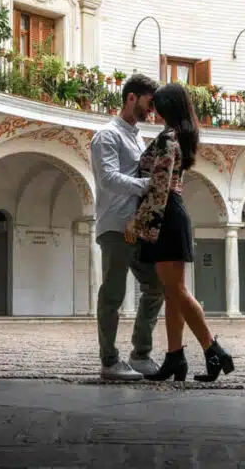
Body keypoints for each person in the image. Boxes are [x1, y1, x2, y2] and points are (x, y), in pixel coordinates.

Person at [126, 82, 234, 383]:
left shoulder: (167, 139)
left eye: (157, 104)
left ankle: (214, 350)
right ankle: (175, 357)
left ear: (166, 108)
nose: (153, 109)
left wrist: (138, 223)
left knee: (176, 291)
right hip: (173, 213)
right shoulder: (180, 137)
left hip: (165, 216)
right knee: (173, 293)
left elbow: (159, 188)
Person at [90, 73, 164, 381]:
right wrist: (149, 185)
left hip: (137, 225)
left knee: (156, 286)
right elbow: (107, 178)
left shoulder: (138, 137)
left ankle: (141, 354)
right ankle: (109, 361)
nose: (151, 110)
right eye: (149, 102)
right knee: (113, 294)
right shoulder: (106, 135)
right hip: (116, 226)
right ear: (131, 97)